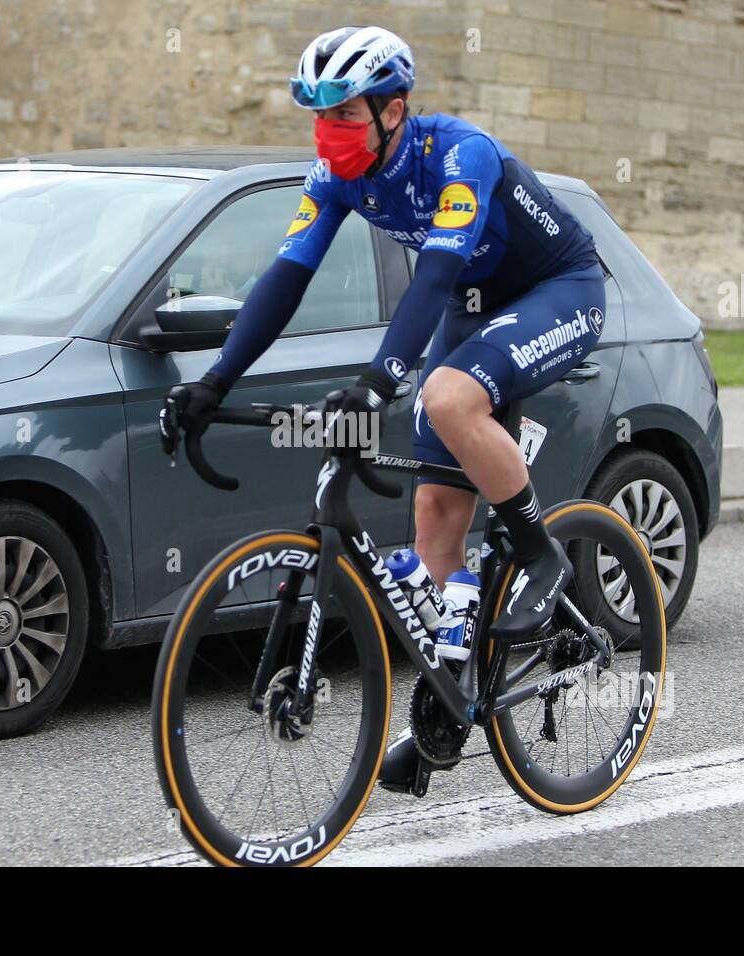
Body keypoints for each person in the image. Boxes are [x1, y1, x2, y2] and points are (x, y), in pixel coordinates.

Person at [166, 24, 606, 791]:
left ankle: (542, 555)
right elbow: (286, 277)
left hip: (555, 291)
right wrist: (217, 380)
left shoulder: (459, 155)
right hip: (476, 308)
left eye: (341, 117)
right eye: (318, 118)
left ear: (392, 110)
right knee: (435, 512)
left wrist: (378, 380)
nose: (326, 134)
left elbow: (431, 281)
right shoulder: (335, 174)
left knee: (443, 395)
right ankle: (442, 714)